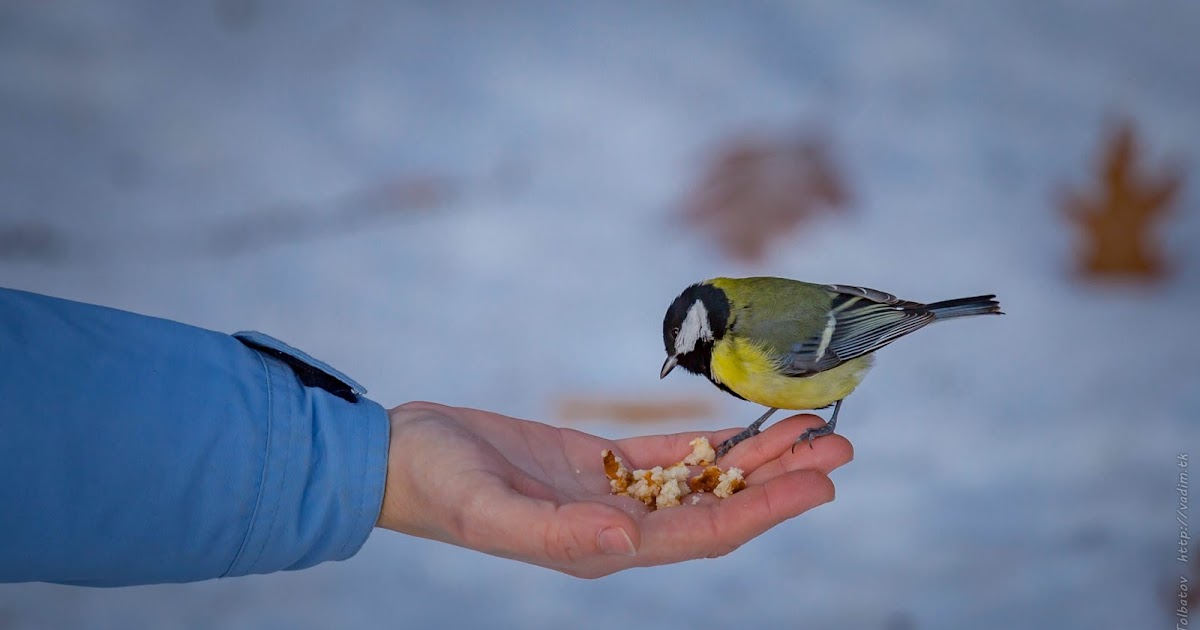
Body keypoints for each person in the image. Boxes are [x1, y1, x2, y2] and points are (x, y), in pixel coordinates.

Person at [0, 287, 853, 586]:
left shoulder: (757, 334)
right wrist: (363, 463)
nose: (692, 366)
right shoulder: (734, 331)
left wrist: (365, 458)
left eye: (694, 354)